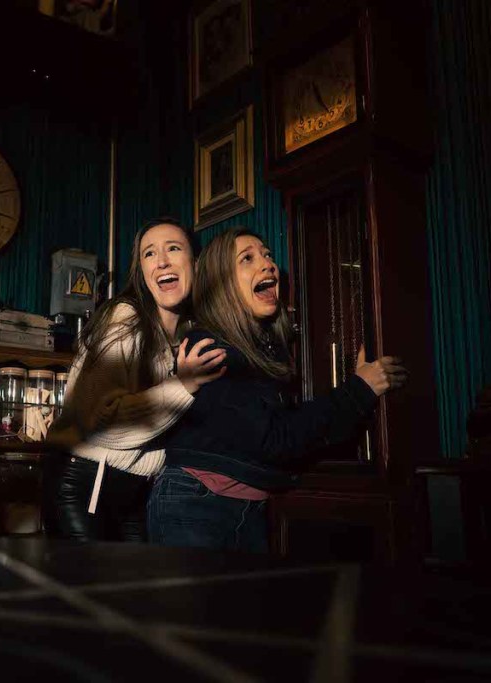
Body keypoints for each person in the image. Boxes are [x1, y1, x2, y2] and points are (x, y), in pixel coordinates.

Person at [147, 227, 407, 553]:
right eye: (248, 258)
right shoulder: (208, 347)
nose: (268, 264)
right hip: (197, 507)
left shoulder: (261, 350)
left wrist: (359, 389)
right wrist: (359, 390)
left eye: (267, 255)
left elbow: (290, 427)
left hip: (241, 507)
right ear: (221, 284)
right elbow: (275, 439)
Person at [43, 218, 226, 541]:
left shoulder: (188, 333)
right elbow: (102, 420)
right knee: (89, 590)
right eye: (149, 254)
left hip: (138, 491)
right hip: (85, 485)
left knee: (134, 590)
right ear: (141, 271)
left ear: (195, 264)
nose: (162, 261)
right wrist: (184, 386)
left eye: (173, 248)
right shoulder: (126, 317)